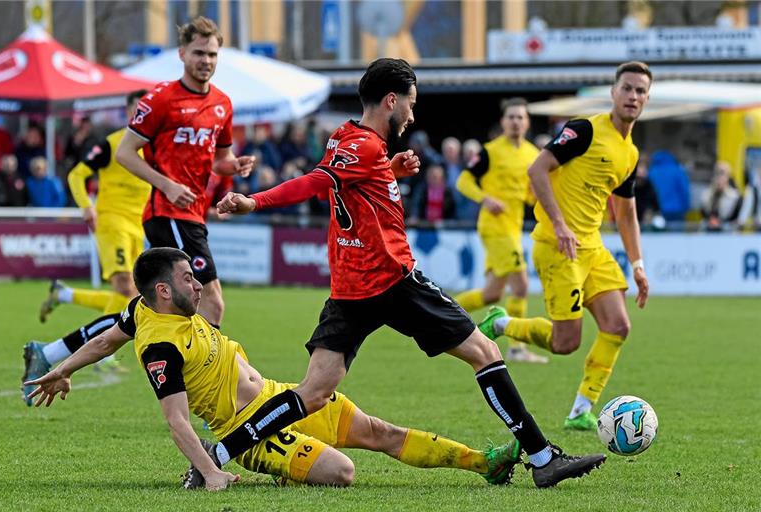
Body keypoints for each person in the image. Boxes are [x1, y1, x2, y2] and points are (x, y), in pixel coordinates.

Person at [214, 58, 605, 489]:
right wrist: (256, 202)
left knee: (313, 392)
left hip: (350, 291)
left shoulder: (346, 138)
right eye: (411, 105)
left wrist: (390, 171)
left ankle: (217, 455)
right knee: (486, 354)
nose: (413, 115)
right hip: (395, 282)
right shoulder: (363, 147)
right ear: (391, 100)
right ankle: (543, 457)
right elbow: (317, 182)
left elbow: (346, 181)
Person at [26, 248, 522, 490]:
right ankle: (278, 466)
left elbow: (107, 338)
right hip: (250, 431)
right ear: (162, 289)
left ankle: (485, 462)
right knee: (343, 472)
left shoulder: (141, 309)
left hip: (279, 396)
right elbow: (177, 420)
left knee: (380, 432)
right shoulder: (160, 346)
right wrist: (211, 472)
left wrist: (63, 367)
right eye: (187, 279)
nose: (198, 286)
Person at [478, 61, 652, 431]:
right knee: (565, 342)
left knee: (618, 325)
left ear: (647, 99)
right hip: (558, 246)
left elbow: (625, 213)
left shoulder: (630, 153)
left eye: (640, 91)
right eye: (627, 88)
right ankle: (504, 322)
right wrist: (558, 224)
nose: (633, 96)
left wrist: (637, 265)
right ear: (613, 92)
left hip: (592, 247)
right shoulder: (585, 129)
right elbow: (537, 169)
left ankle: (581, 411)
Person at [116, 16, 254, 328]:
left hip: (194, 213)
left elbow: (221, 159)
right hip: (168, 212)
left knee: (160, 310)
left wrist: (235, 165)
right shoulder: (161, 99)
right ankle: (207, 375)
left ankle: (61, 350)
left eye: (212, 54)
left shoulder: (222, 103)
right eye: (199, 53)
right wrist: (167, 186)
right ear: (182, 54)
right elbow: (124, 153)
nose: (206, 61)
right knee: (210, 301)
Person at [38, 90, 151, 324]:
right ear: (128, 111)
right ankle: (104, 357)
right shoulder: (113, 143)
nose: (143, 114)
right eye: (138, 109)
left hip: (138, 225)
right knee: (123, 286)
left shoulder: (157, 148)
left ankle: (64, 294)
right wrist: (87, 206)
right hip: (112, 220)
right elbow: (76, 175)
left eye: (148, 110)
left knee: (133, 295)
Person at [454, 98, 547, 364]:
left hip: (513, 227)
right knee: (520, 285)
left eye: (521, 117)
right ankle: (517, 348)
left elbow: (529, 196)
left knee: (492, 294)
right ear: (503, 122)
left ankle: (436, 316)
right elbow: (463, 180)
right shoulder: (490, 151)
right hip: (494, 227)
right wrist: (485, 198)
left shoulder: (532, 154)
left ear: (527, 122)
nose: (516, 122)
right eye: (511, 117)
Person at [700, 161, 741, 230]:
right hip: (708, 232)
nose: (719, 177)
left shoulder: (735, 196)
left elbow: (735, 218)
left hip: (728, 234)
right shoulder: (706, 194)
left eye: (722, 174)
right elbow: (704, 213)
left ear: (728, 176)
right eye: (717, 173)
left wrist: (719, 222)